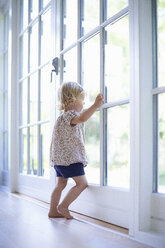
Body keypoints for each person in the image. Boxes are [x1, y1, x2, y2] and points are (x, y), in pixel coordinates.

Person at [48, 81, 104, 219]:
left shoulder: (61, 117)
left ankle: (53, 211)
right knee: (82, 183)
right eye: (82, 100)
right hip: (70, 159)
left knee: (60, 184)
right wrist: (96, 105)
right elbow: (83, 118)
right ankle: (63, 206)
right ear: (71, 100)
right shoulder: (70, 115)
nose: (83, 104)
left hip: (59, 159)